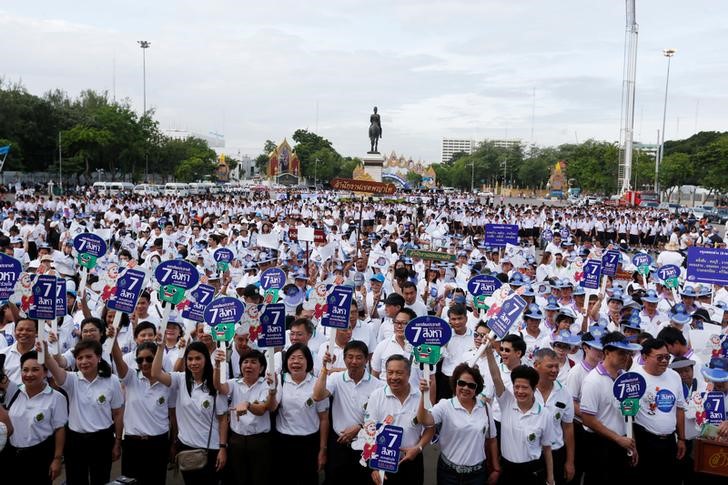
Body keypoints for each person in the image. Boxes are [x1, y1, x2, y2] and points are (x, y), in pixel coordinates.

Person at [44, 339, 124, 485]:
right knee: (75, 480)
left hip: (102, 440)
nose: (84, 361)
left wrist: (117, 442)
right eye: (80, 358)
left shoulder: (112, 380)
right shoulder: (72, 380)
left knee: (100, 479)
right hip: (75, 441)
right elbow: (55, 370)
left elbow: (118, 413)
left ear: (99, 358)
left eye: (88, 356)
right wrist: (45, 353)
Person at [151, 340, 228, 485]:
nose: (194, 363)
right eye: (190, 359)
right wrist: (160, 347)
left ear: (206, 359)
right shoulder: (179, 379)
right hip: (186, 447)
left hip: (210, 449)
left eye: (198, 358)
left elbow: (223, 419)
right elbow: (155, 373)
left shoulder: (215, 384)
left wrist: (222, 449)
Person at [483, 340, 555, 485]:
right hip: (508, 469)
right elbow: (496, 377)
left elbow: (547, 449)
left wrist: (550, 478)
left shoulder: (544, 414)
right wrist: (490, 352)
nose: (520, 391)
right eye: (517, 387)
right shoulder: (507, 402)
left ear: (534, 389)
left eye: (525, 388)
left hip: (532, 470)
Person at [312, 340, 384, 485]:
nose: (354, 361)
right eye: (350, 357)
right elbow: (317, 395)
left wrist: (359, 427)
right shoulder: (336, 379)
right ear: (344, 359)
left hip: (366, 446)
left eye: (359, 357)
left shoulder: (378, 385)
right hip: (339, 444)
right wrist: (325, 369)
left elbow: (383, 419)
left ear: (366, 359)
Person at [417, 362, 500, 485]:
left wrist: (496, 468)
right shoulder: (445, 405)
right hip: (448, 474)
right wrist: (423, 395)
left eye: (471, 385)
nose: (465, 388)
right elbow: (424, 420)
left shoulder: (485, 407)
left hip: (477, 475)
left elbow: (492, 439)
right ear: (455, 383)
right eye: (461, 383)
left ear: (477, 388)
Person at [580, 331, 641, 485]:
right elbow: (587, 419)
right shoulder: (593, 380)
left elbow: (628, 412)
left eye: (628, 353)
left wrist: (631, 442)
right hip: (600, 444)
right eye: (621, 353)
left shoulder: (626, 377)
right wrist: (618, 439)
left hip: (622, 442)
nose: (626, 357)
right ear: (606, 352)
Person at [109, 337, 171, 485]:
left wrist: (174, 443)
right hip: (133, 445)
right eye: (139, 360)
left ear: (157, 358)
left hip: (158, 444)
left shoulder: (169, 382)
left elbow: (174, 415)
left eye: (149, 359)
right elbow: (118, 360)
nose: (144, 363)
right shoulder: (131, 378)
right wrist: (114, 338)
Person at [364, 354, 434, 485]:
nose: (394, 377)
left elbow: (430, 428)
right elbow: (369, 431)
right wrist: (373, 465)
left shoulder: (420, 396)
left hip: (412, 460)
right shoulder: (376, 396)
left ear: (408, 374)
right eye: (390, 373)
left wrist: (418, 448)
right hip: (382, 460)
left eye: (399, 373)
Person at [1, 351, 67, 484]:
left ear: (45, 372)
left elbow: (60, 429)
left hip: (39, 456)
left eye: (35, 370)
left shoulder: (56, 397)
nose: (29, 374)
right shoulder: (14, 391)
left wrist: (57, 459)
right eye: (25, 370)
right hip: (11, 455)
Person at [213, 348, 275, 485]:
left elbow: (263, 409)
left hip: (259, 441)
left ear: (261, 367)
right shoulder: (234, 383)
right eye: (245, 362)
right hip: (237, 441)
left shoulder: (266, 384)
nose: (248, 365)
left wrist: (248, 405)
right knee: (238, 479)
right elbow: (219, 386)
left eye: (253, 362)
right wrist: (217, 365)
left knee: (260, 479)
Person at [270, 342, 329, 485]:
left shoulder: (317, 384)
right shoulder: (281, 380)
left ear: (308, 361)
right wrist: (272, 389)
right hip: (284, 443)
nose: (296, 362)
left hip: (309, 443)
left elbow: (324, 419)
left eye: (300, 358)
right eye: (292, 358)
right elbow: (272, 408)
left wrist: (323, 450)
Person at [633, 338, 686, 485]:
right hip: (645, 441)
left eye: (667, 357)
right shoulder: (634, 378)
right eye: (659, 357)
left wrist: (681, 438)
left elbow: (679, 408)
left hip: (669, 442)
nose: (664, 361)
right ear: (644, 358)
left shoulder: (674, 376)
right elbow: (627, 415)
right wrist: (633, 445)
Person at [533, 348, 575, 485]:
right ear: (536, 365)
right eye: (550, 366)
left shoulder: (564, 392)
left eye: (557, 366)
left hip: (556, 452)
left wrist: (569, 462)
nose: (554, 370)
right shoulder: (525, 391)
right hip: (531, 454)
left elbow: (568, 428)